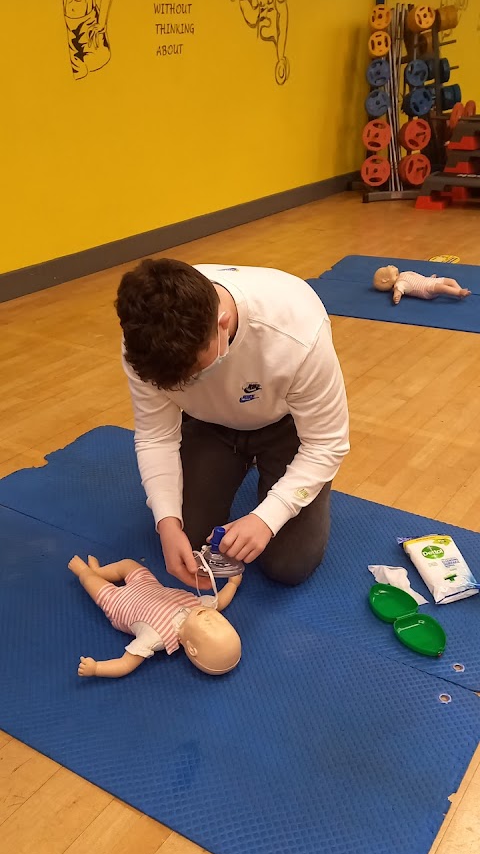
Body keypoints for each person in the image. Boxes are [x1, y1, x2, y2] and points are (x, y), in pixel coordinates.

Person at [115, 259, 349, 588]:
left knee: (289, 565)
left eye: (194, 374)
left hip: (285, 425)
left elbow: (327, 443)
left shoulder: (297, 332)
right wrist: (166, 522)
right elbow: (156, 436)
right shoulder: (143, 340)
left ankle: (279, 475)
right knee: (190, 536)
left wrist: (267, 518)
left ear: (222, 325)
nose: (185, 384)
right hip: (209, 425)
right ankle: (234, 467)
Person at [68, 554, 242, 677]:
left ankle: (84, 571)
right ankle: (99, 571)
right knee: (128, 564)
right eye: (222, 621)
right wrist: (232, 583)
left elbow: (125, 663)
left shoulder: (157, 637)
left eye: (210, 625)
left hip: (118, 602)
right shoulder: (200, 607)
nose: (212, 617)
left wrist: (97, 668)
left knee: (90, 582)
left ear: (191, 648)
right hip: (146, 584)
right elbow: (221, 601)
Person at [373, 265, 471, 305]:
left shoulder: (403, 274)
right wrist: (396, 296)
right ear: (387, 280)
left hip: (428, 281)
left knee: (451, 281)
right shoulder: (399, 284)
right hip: (425, 289)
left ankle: (460, 292)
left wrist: (429, 278)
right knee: (443, 288)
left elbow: (418, 277)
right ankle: (458, 292)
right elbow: (399, 291)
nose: (390, 266)